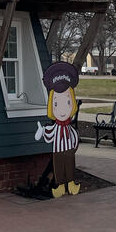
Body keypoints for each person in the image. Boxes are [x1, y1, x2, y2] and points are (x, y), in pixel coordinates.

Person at [34, 61, 80, 198]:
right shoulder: (57, 127)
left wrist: (74, 145)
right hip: (58, 150)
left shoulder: (68, 127)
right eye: (55, 103)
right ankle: (60, 186)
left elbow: (74, 136)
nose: (61, 109)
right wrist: (41, 131)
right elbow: (49, 133)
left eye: (67, 102)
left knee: (70, 165)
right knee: (59, 167)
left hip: (68, 149)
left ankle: (71, 184)